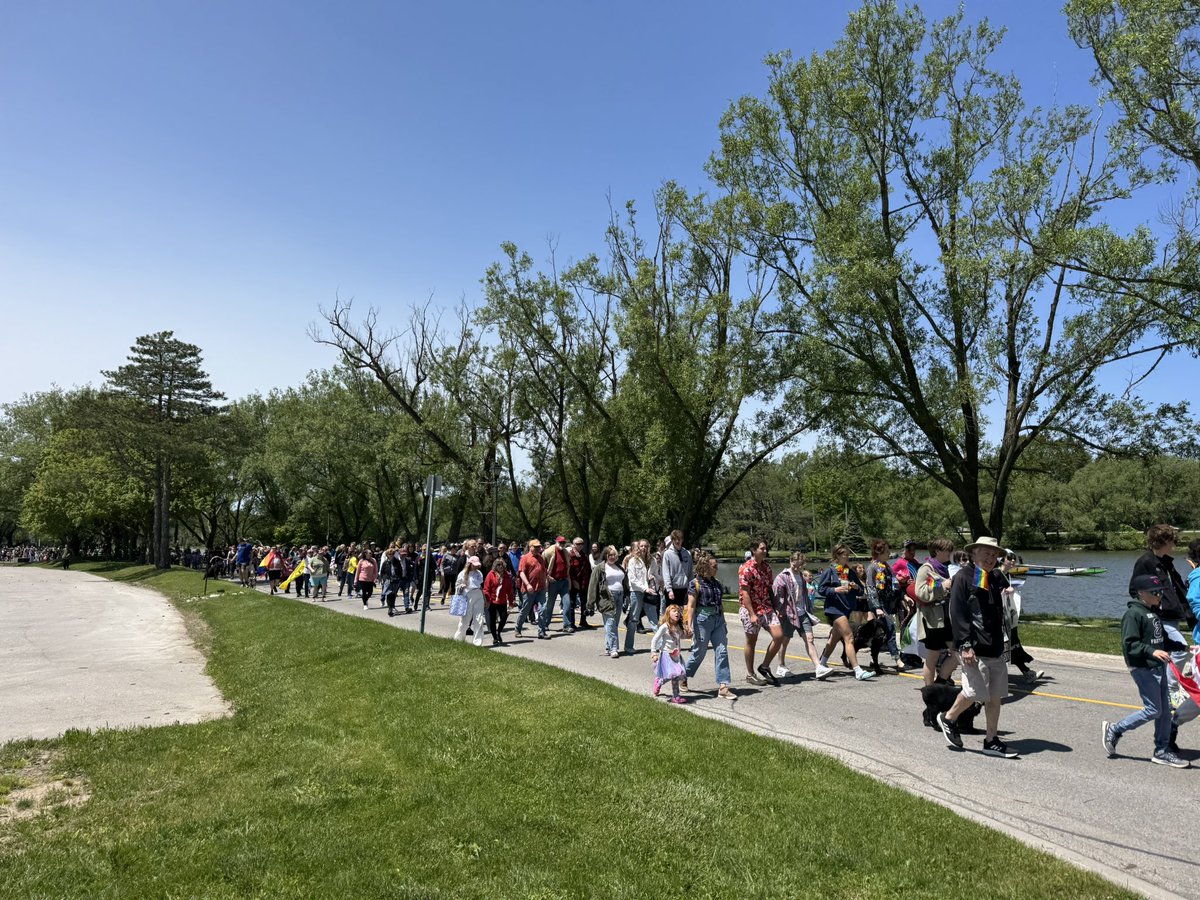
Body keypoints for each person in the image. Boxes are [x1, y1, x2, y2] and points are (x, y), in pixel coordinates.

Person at [938, 536, 1019, 759]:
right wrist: (964, 645)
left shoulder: (994, 578)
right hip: (972, 647)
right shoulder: (963, 577)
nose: (991, 558)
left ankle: (991, 740)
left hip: (994, 646)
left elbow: (1002, 608)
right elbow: (957, 613)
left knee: (995, 696)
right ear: (974, 554)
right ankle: (949, 718)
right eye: (986, 553)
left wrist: (1009, 595)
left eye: (994, 555)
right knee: (975, 692)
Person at [1101, 574, 1191, 768]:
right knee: (1154, 709)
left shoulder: (1152, 612)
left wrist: (1181, 647)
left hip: (1158, 667)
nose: (1159, 595)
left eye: (1160, 592)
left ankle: (1161, 751)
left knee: (1165, 713)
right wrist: (1152, 651)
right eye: (1155, 592)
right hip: (1143, 668)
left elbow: (1159, 640)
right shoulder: (1133, 614)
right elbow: (1130, 644)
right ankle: (1115, 729)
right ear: (1141, 593)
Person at [1130, 525, 1192, 698]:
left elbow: (1176, 587)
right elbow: (1134, 589)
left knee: (1169, 654)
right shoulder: (1145, 562)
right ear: (1163, 541)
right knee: (1181, 650)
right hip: (1160, 616)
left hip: (1173, 616)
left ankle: (1163, 690)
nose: (1174, 544)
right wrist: (1153, 609)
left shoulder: (1166, 562)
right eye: (1172, 540)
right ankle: (1171, 690)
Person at [815, 544, 876, 681]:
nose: (847, 557)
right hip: (834, 609)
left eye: (848, 554)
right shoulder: (830, 571)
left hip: (846, 608)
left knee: (834, 639)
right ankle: (858, 670)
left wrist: (855, 587)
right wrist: (834, 590)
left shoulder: (850, 572)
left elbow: (861, 590)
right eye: (844, 554)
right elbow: (821, 589)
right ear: (837, 555)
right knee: (849, 637)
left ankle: (821, 664)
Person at [682, 553, 736, 700]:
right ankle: (683, 676)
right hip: (702, 620)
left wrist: (723, 623)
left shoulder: (716, 583)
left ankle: (723, 686)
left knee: (722, 651)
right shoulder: (695, 583)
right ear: (705, 567)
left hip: (718, 620)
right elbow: (691, 605)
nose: (716, 568)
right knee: (699, 652)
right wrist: (689, 625)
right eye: (714, 566)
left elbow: (720, 605)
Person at [774, 550, 831, 680]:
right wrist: (779, 610)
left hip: (802, 612)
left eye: (800, 565)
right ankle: (781, 666)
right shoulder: (783, 576)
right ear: (791, 561)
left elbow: (804, 594)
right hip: (789, 613)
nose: (797, 567)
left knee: (810, 638)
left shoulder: (801, 576)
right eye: (795, 565)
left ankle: (818, 667)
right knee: (785, 641)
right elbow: (776, 594)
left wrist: (809, 608)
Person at [738, 539, 782, 686]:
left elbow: (770, 589)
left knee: (779, 636)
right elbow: (745, 593)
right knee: (752, 641)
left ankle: (764, 666)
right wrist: (751, 614)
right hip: (752, 609)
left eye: (765, 548)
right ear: (754, 550)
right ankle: (750, 674)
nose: (765, 550)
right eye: (762, 548)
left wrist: (776, 607)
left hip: (767, 608)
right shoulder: (746, 569)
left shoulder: (767, 569)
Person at [915, 539, 957, 687]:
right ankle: (929, 690)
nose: (950, 553)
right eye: (947, 550)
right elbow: (920, 592)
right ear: (937, 551)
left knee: (957, 653)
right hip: (934, 619)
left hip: (949, 617)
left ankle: (940, 681)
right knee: (933, 656)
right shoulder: (926, 569)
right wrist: (943, 586)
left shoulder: (951, 568)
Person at [865, 539, 904, 670]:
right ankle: (897, 658)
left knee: (880, 634)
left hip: (888, 602)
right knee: (891, 628)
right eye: (887, 551)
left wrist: (903, 597)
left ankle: (873, 658)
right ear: (879, 552)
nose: (889, 553)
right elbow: (870, 588)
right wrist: (877, 608)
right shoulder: (872, 568)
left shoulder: (887, 567)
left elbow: (895, 584)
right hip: (879, 604)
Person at [587, 545, 628, 658]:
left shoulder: (619, 567)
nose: (612, 557)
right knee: (610, 623)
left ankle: (608, 647)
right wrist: (590, 603)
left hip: (619, 597)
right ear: (605, 555)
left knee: (613, 624)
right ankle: (614, 648)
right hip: (607, 598)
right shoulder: (600, 568)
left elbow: (625, 583)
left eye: (614, 555)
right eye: (610, 555)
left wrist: (627, 595)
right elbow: (592, 585)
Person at [624, 540, 657, 653]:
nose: (644, 548)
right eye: (641, 546)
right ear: (638, 547)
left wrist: (660, 582)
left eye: (646, 546)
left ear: (649, 547)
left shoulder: (652, 560)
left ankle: (662, 646)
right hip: (637, 592)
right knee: (633, 620)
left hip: (649, 592)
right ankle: (628, 646)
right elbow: (632, 580)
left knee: (654, 620)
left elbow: (656, 574)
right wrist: (644, 588)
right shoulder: (633, 561)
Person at [651, 605, 688, 704]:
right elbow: (655, 639)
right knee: (673, 675)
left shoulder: (678, 626)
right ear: (668, 614)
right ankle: (663, 685)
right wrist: (654, 653)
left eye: (678, 611)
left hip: (676, 655)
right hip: (667, 655)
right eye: (674, 611)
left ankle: (672, 693)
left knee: (676, 675)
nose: (677, 613)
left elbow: (682, 636)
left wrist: (689, 634)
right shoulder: (665, 626)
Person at [515, 539, 548, 638]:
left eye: (539, 547)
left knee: (543, 609)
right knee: (525, 610)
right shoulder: (525, 558)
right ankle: (518, 629)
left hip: (540, 589)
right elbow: (521, 572)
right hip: (529, 589)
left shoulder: (541, 558)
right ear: (531, 547)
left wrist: (546, 582)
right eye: (536, 547)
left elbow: (543, 572)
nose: (538, 548)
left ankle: (542, 632)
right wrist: (528, 584)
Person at [542, 536, 573, 634]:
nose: (562, 544)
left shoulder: (566, 553)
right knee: (550, 605)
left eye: (563, 542)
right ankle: (545, 624)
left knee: (567, 603)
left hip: (564, 581)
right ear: (556, 542)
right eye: (560, 542)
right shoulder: (549, 552)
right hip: (553, 582)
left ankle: (567, 625)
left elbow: (568, 565)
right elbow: (542, 566)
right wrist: (547, 576)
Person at [453, 555, 486, 644]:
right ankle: (459, 639)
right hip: (467, 596)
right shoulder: (463, 573)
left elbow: (481, 586)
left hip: (478, 595)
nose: (476, 566)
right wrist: (461, 586)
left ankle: (477, 642)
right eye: (474, 564)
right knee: (465, 620)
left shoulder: (479, 573)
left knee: (479, 619)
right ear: (470, 564)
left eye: (477, 565)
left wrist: (485, 599)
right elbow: (457, 586)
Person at [661, 531, 693, 619]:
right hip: (673, 590)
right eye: (675, 539)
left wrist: (691, 587)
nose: (677, 541)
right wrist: (669, 589)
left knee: (684, 616)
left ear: (682, 540)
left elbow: (690, 572)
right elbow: (666, 573)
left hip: (685, 589)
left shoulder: (687, 553)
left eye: (679, 539)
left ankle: (683, 632)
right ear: (672, 540)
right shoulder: (667, 554)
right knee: (672, 617)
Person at [482, 557, 514, 646]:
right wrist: (487, 599)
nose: (500, 566)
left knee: (504, 618)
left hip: (502, 601)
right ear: (495, 566)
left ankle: (499, 632)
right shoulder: (491, 575)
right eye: (498, 565)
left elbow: (509, 590)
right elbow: (486, 588)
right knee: (492, 621)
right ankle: (495, 637)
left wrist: (511, 601)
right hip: (492, 601)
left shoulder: (507, 575)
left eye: (502, 565)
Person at [568, 537, 593, 629]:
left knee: (584, 603)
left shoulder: (584, 555)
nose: (580, 545)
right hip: (574, 583)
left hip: (584, 583)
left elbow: (588, 569)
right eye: (578, 544)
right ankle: (571, 623)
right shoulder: (570, 555)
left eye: (582, 543)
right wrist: (573, 581)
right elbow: (569, 570)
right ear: (574, 545)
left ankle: (583, 621)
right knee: (572, 603)